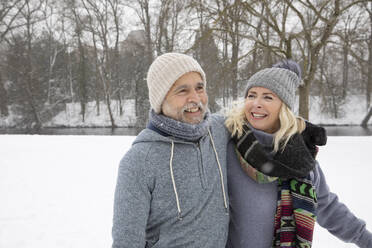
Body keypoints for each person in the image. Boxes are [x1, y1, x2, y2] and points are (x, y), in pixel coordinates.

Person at [225, 60, 372, 248]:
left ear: (284, 106)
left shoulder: (299, 158)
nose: (256, 103)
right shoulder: (228, 146)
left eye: (268, 97)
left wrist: (365, 238)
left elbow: (327, 207)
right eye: (251, 95)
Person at [112, 53, 230, 247]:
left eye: (199, 88)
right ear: (161, 99)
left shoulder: (219, 130)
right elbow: (127, 241)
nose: (195, 98)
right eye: (182, 91)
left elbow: (263, 121)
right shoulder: (139, 160)